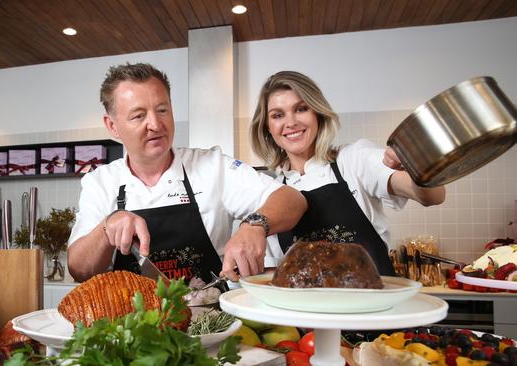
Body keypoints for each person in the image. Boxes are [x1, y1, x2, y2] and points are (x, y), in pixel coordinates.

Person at [67, 63, 306, 283]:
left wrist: (256, 225)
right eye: (139, 116)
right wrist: (107, 227)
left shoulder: (212, 166)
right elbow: (79, 269)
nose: (155, 124)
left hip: (209, 322)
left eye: (162, 110)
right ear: (112, 126)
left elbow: (292, 199)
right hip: (132, 326)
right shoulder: (100, 182)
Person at [250, 71, 445, 276]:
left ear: (318, 114)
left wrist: (415, 166)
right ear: (267, 127)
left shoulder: (353, 159)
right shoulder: (272, 195)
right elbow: (272, 274)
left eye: (301, 109)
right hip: (308, 307)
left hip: (373, 303)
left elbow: (433, 196)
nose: (290, 123)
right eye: (278, 115)